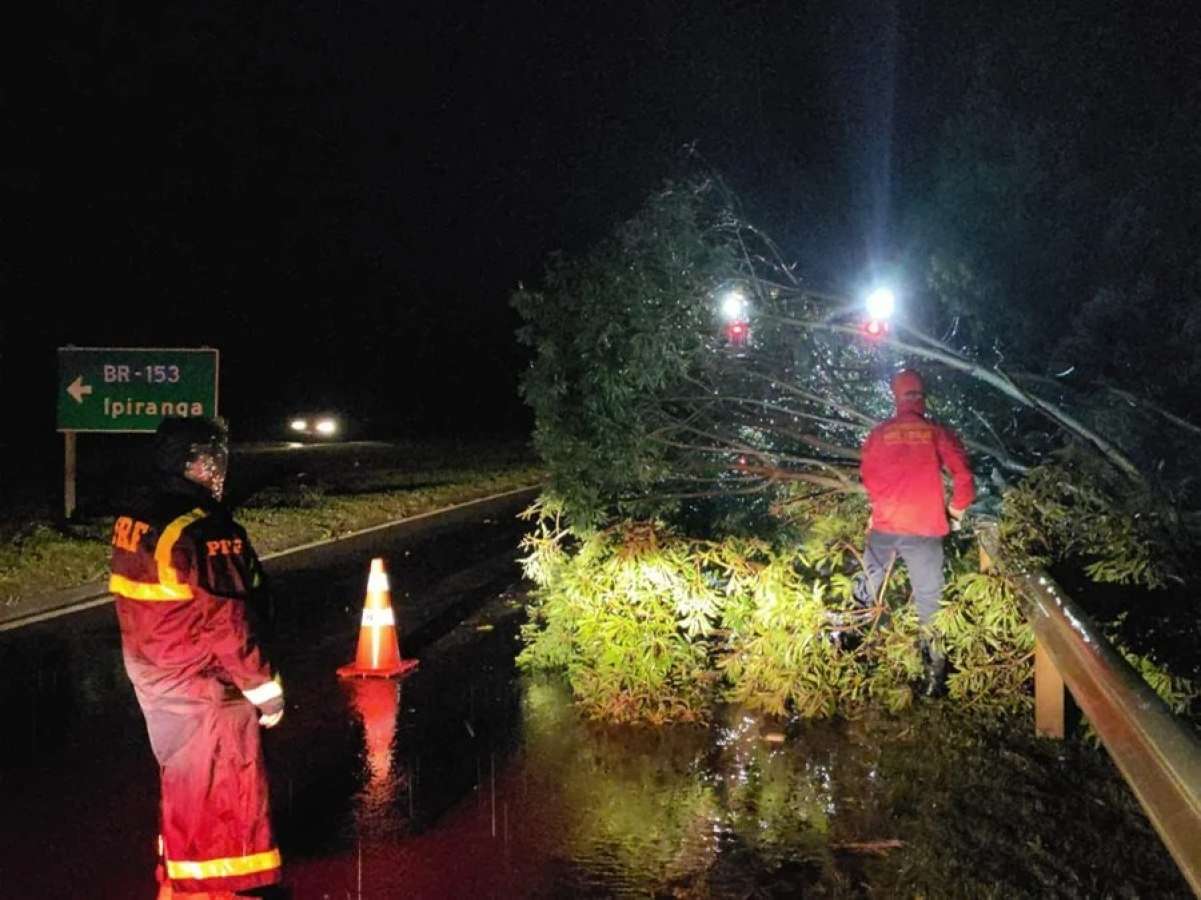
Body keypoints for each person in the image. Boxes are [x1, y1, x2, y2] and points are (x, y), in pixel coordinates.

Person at [109, 416, 284, 899]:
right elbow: (228, 622)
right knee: (223, 788)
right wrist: (265, 691)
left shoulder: (136, 517)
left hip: (154, 671)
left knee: (182, 777)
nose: (219, 470)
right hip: (202, 680)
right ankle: (219, 885)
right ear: (192, 462)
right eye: (212, 459)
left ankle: (180, 869)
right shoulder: (205, 531)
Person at [859, 368, 975, 697]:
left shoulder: (880, 433)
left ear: (895, 397)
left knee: (868, 584)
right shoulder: (936, 432)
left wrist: (878, 509)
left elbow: (868, 476)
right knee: (929, 601)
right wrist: (956, 510)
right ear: (922, 397)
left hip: (885, 526)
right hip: (924, 529)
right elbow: (964, 478)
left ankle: (852, 643)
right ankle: (935, 677)